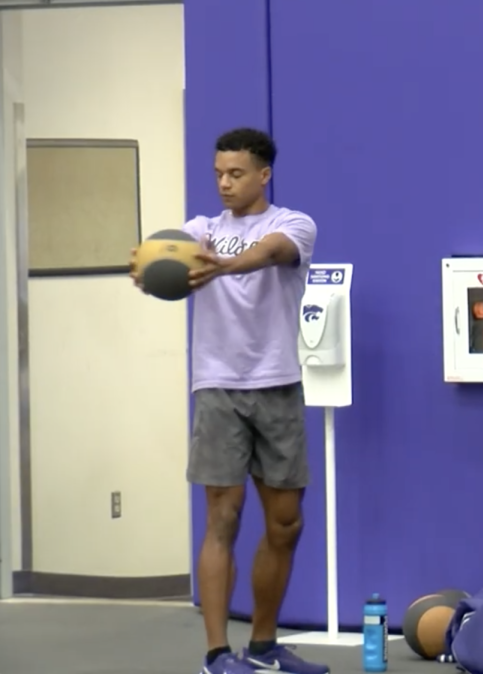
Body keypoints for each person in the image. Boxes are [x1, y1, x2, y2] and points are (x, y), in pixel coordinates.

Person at [130, 128, 327, 674]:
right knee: (224, 516)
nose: (224, 182)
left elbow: (272, 254)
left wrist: (221, 267)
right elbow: (162, 258)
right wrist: (146, 266)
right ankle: (218, 655)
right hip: (217, 387)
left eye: (236, 173)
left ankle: (263, 648)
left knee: (286, 523)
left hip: (278, 384)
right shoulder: (198, 232)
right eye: (219, 173)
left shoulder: (292, 224)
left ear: (263, 174)